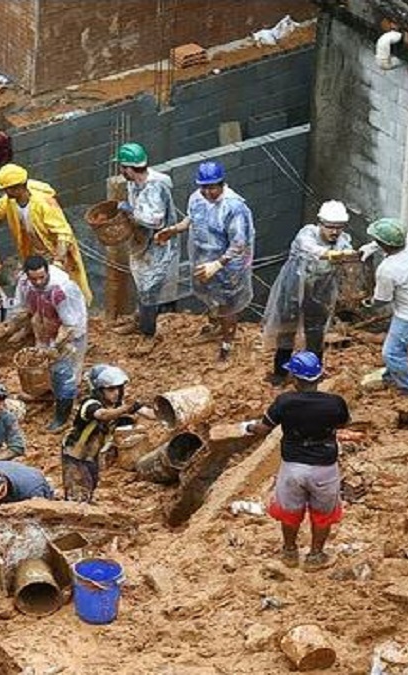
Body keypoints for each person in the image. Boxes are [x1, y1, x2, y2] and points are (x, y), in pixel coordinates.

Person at [244, 351, 349, 570]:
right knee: (323, 514)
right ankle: (315, 556)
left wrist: (247, 427)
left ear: (294, 377)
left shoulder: (284, 402)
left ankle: (290, 552)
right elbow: (344, 423)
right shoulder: (335, 403)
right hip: (324, 467)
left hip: (293, 467)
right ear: (319, 376)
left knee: (290, 511)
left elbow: (263, 429)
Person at [157, 160, 255, 361]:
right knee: (210, 295)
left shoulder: (234, 207)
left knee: (228, 302)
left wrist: (218, 264)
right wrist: (173, 230)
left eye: (212, 187)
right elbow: (191, 219)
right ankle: (215, 326)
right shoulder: (197, 198)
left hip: (229, 264)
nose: (208, 192)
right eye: (204, 187)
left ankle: (227, 343)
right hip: (204, 256)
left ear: (222, 184)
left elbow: (239, 244)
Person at [262, 200, 356, 386]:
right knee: (287, 330)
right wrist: (332, 255)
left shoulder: (343, 241)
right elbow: (310, 249)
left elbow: (348, 257)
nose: (335, 232)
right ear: (320, 223)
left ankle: (313, 373)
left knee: (316, 332)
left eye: (339, 227)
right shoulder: (307, 233)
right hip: (293, 289)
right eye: (330, 227)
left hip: (320, 291)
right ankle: (280, 373)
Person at [0, 163, 92, 302]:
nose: (5, 192)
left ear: (18, 187)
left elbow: (63, 234)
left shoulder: (43, 203)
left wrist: (58, 261)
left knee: (64, 292)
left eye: (7, 189)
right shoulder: (9, 201)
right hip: (33, 252)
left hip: (54, 251)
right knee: (38, 291)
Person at [360, 218, 408, 395]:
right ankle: (391, 375)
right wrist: (371, 247)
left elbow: (382, 300)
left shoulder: (388, 269)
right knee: (398, 344)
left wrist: (368, 303)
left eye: (377, 241)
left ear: (385, 245)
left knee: (391, 353)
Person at [10, 255, 89, 431]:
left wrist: (55, 348)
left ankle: (62, 415)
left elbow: (70, 325)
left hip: (69, 334)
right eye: (34, 278)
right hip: (44, 326)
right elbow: (21, 308)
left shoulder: (61, 289)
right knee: (43, 367)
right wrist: (16, 327)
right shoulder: (24, 283)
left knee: (64, 373)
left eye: (42, 277)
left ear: (47, 271)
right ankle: (47, 393)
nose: (38, 281)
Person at [116, 142, 180, 338]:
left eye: (122, 167)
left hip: (159, 244)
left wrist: (130, 211)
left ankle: (148, 332)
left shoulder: (154, 187)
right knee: (141, 283)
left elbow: (155, 220)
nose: (121, 171)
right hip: (142, 242)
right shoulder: (133, 182)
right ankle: (140, 319)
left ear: (129, 168)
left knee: (149, 289)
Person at [62, 365, 148, 502]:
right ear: (99, 390)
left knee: (91, 485)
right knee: (78, 489)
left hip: (93, 454)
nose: (116, 393)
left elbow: (148, 413)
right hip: (75, 453)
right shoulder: (89, 404)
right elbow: (103, 415)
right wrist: (125, 408)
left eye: (119, 388)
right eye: (111, 389)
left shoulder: (120, 404)